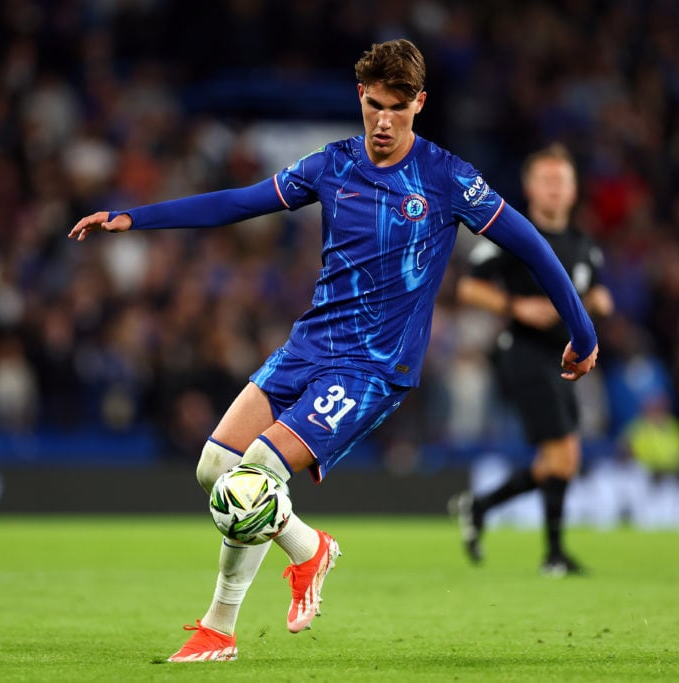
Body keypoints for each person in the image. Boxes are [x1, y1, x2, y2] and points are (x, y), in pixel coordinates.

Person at [69, 40, 599, 662]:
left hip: (374, 365)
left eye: (397, 108)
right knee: (215, 469)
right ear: (360, 97)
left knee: (255, 475)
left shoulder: (448, 178)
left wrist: (582, 333)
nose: (383, 121)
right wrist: (135, 218)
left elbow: (534, 246)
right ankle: (307, 548)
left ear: (419, 104)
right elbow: (239, 203)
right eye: (374, 105)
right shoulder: (332, 165)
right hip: (308, 346)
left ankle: (219, 628)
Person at [449, 143, 613, 576]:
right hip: (523, 352)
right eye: (546, 179)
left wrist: (597, 303)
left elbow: (598, 295)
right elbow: (468, 288)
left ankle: (480, 506)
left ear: (575, 189)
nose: (555, 189)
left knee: (562, 460)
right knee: (562, 455)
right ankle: (553, 556)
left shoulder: (583, 246)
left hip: (568, 359)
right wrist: (516, 307)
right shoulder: (511, 232)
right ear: (529, 187)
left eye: (562, 180)